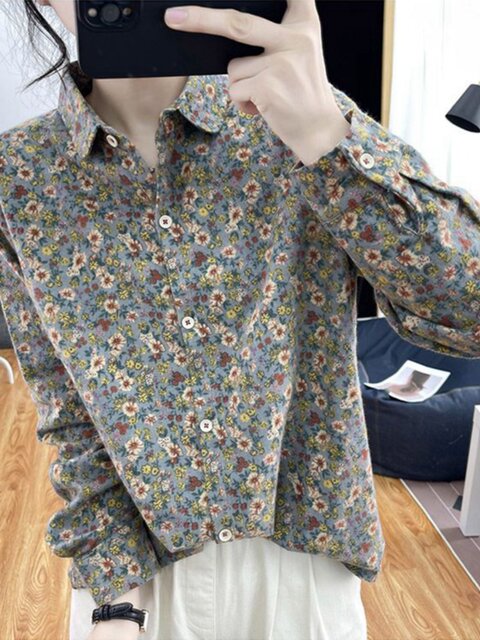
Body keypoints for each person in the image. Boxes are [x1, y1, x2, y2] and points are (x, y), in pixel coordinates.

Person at [1, 1, 479, 639]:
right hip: (137, 586)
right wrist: (115, 602)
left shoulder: (294, 118)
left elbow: (466, 313)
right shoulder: (20, 177)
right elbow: (69, 411)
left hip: (304, 569)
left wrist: (326, 134)